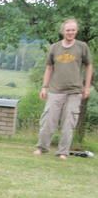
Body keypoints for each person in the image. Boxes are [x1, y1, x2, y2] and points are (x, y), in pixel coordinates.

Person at [33, 19, 93, 160]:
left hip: (74, 91)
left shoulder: (82, 47)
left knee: (68, 122)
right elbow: (49, 67)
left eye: (73, 30)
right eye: (68, 30)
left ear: (76, 31)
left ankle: (62, 152)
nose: (70, 32)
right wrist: (44, 87)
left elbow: (89, 65)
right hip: (55, 90)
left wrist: (87, 86)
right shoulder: (55, 47)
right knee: (48, 120)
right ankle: (42, 147)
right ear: (63, 31)